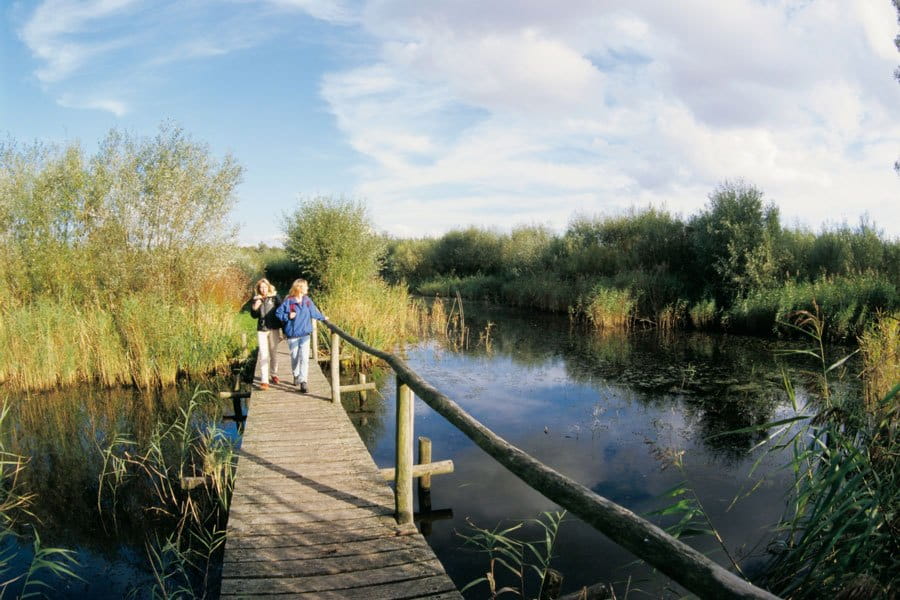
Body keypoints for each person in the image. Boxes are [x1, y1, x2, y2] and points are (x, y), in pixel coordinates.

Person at [275, 278, 328, 393]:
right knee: (295, 357)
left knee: (304, 358)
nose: (307, 288)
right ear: (299, 288)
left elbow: (314, 312)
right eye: (305, 286)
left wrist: (323, 318)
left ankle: (303, 381)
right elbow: (278, 313)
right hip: (293, 334)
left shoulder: (307, 300)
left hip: (305, 334)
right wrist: (288, 316)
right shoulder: (289, 301)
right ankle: (296, 374)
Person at [249, 278, 283, 390]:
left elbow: (282, 309)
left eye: (265, 287)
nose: (263, 290)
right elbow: (253, 315)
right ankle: (264, 381)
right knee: (264, 354)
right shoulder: (256, 299)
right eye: (261, 288)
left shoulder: (275, 297)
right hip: (262, 329)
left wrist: (283, 329)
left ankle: (273, 374)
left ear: (268, 287)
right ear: (258, 289)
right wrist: (255, 307)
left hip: (274, 328)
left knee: (273, 353)